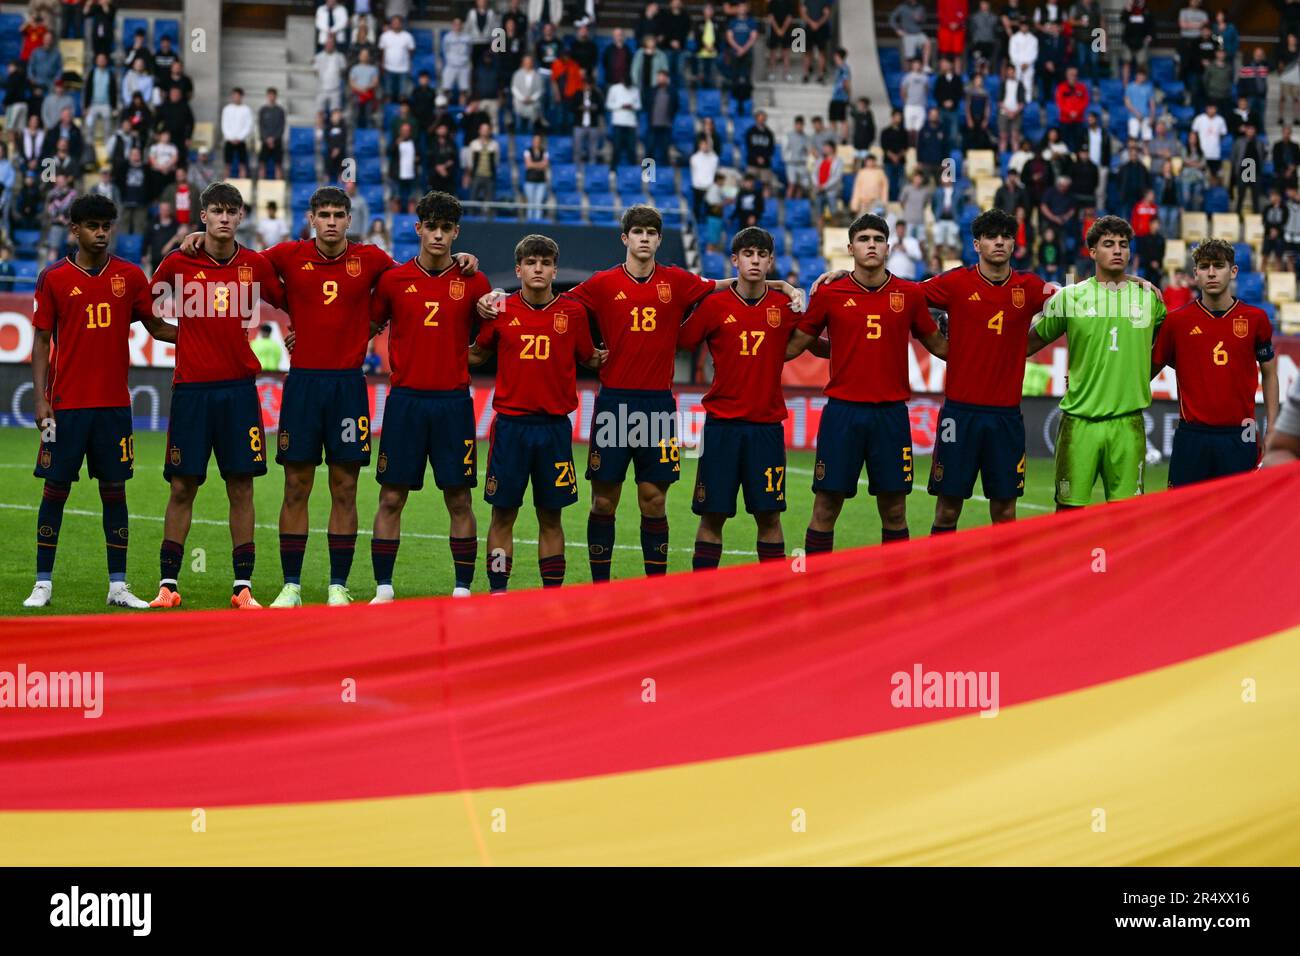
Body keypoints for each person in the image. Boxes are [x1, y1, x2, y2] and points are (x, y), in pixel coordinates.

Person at [475, 204, 801, 582]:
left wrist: (780, 285)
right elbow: (548, 297)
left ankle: (655, 588)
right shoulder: (601, 284)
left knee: (654, 500)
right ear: (625, 238)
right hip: (614, 404)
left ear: (659, 240)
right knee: (603, 501)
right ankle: (601, 587)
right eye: (638, 232)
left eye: (651, 233)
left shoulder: (677, 281)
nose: (644, 239)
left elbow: (724, 284)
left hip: (657, 408)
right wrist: (497, 293)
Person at [22, 193, 176, 609]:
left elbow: (157, 327)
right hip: (66, 406)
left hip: (113, 407)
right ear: (74, 229)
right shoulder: (53, 278)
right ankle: (42, 583)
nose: (102, 232)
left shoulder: (130, 276)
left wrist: (206, 334)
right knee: (55, 491)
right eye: (93, 225)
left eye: (107, 225)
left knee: (115, 492)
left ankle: (118, 586)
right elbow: (40, 342)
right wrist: (41, 400)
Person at [146, 182, 285, 608]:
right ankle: (168, 585)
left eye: (232, 211)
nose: (225, 218)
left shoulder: (256, 265)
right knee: (182, 486)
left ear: (241, 217)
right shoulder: (177, 264)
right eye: (217, 211)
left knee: (241, 486)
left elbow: (290, 300)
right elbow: (149, 316)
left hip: (238, 392)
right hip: (191, 391)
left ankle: (242, 588)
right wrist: (186, 337)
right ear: (203, 216)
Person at [784, 213, 949, 551]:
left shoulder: (909, 293)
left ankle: (893, 599)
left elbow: (939, 347)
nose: (871, 245)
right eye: (864, 239)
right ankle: (815, 597)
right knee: (826, 507)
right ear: (850, 248)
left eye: (877, 239)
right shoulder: (830, 293)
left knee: (894, 510)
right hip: (842, 415)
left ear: (888, 247)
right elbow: (798, 343)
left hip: (891, 415)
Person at [367, 191, 490, 601]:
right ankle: (384, 588)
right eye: (431, 227)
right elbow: (364, 326)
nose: (438, 235)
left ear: (456, 232)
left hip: (453, 403)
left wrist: (465, 355)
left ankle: (461, 589)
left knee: (459, 496)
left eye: (446, 228)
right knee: (391, 496)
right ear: (418, 229)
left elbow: (491, 337)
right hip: (405, 402)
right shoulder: (393, 280)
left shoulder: (474, 281)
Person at [468, 235, 607, 592]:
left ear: (554, 269)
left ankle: (551, 595)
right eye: (531, 262)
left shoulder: (573, 313)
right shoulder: (500, 309)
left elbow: (592, 358)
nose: (539, 269)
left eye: (545, 263)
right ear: (519, 269)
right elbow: (476, 355)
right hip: (511, 428)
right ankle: (498, 590)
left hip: (554, 431)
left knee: (551, 516)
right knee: (503, 514)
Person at [918, 209, 1055, 530]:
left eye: (1006, 237)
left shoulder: (1031, 286)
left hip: (1006, 418)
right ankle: (944, 582)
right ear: (976, 244)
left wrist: (1127, 281)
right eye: (991, 237)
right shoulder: (955, 282)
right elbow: (906, 297)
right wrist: (937, 343)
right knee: (948, 511)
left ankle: (1005, 582)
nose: (999, 242)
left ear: (1013, 245)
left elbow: (1074, 299)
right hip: (959, 416)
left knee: (1005, 513)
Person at [678, 226, 800, 569]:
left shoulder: (784, 305)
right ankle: (706, 598)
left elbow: (810, 340)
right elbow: (681, 340)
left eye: (762, 255)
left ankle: (773, 598)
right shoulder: (714, 305)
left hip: (766, 427)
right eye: (748, 254)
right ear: (735, 260)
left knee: (770, 517)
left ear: (771, 261)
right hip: (722, 427)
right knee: (712, 517)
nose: (755, 261)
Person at [1026, 215, 1166, 509]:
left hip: (1128, 425)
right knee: (1069, 512)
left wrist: (1139, 377)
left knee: (1126, 517)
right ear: (1091, 252)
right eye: (1108, 244)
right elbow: (1026, 345)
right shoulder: (1069, 298)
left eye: (1123, 245)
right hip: (1079, 423)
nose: (1118, 250)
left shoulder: (1150, 300)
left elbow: (1167, 350)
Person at [1152, 239, 1278, 487]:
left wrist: (1272, 426)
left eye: (1218, 266)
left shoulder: (1256, 319)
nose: (1211, 272)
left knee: (1240, 518)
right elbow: (1145, 373)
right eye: (1204, 266)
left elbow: (1270, 374)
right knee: (1186, 517)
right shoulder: (1176, 323)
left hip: (1242, 433)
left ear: (1233, 271)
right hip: (1192, 434)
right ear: (1195, 273)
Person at [378, 15, 415, 102]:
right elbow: (382, 52)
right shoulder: (385, 36)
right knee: (388, 94)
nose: (396, 24)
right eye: (394, 22)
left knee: (403, 95)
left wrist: (407, 63)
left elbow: (411, 51)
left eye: (398, 23)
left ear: (401, 24)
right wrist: (382, 65)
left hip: (403, 69)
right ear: (391, 24)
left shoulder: (407, 36)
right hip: (388, 68)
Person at [220, 88, 253, 177]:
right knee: (227, 164)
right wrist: (230, 137)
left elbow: (248, 126)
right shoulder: (227, 109)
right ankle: (225, 186)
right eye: (234, 95)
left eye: (238, 96)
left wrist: (240, 137)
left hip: (241, 141)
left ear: (241, 97)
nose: (236, 97)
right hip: (229, 140)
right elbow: (224, 124)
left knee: (242, 164)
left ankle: (242, 185)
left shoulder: (246, 109)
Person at [523, 132, 549, 219]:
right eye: (535, 141)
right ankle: (530, 222)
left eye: (538, 141)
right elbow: (528, 165)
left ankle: (538, 223)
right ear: (532, 142)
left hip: (541, 182)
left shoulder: (544, 152)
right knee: (531, 203)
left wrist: (534, 164)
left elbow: (545, 165)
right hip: (530, 181)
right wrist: (539, 165)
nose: (536, 142)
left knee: (538, 203)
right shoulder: (527, 151)